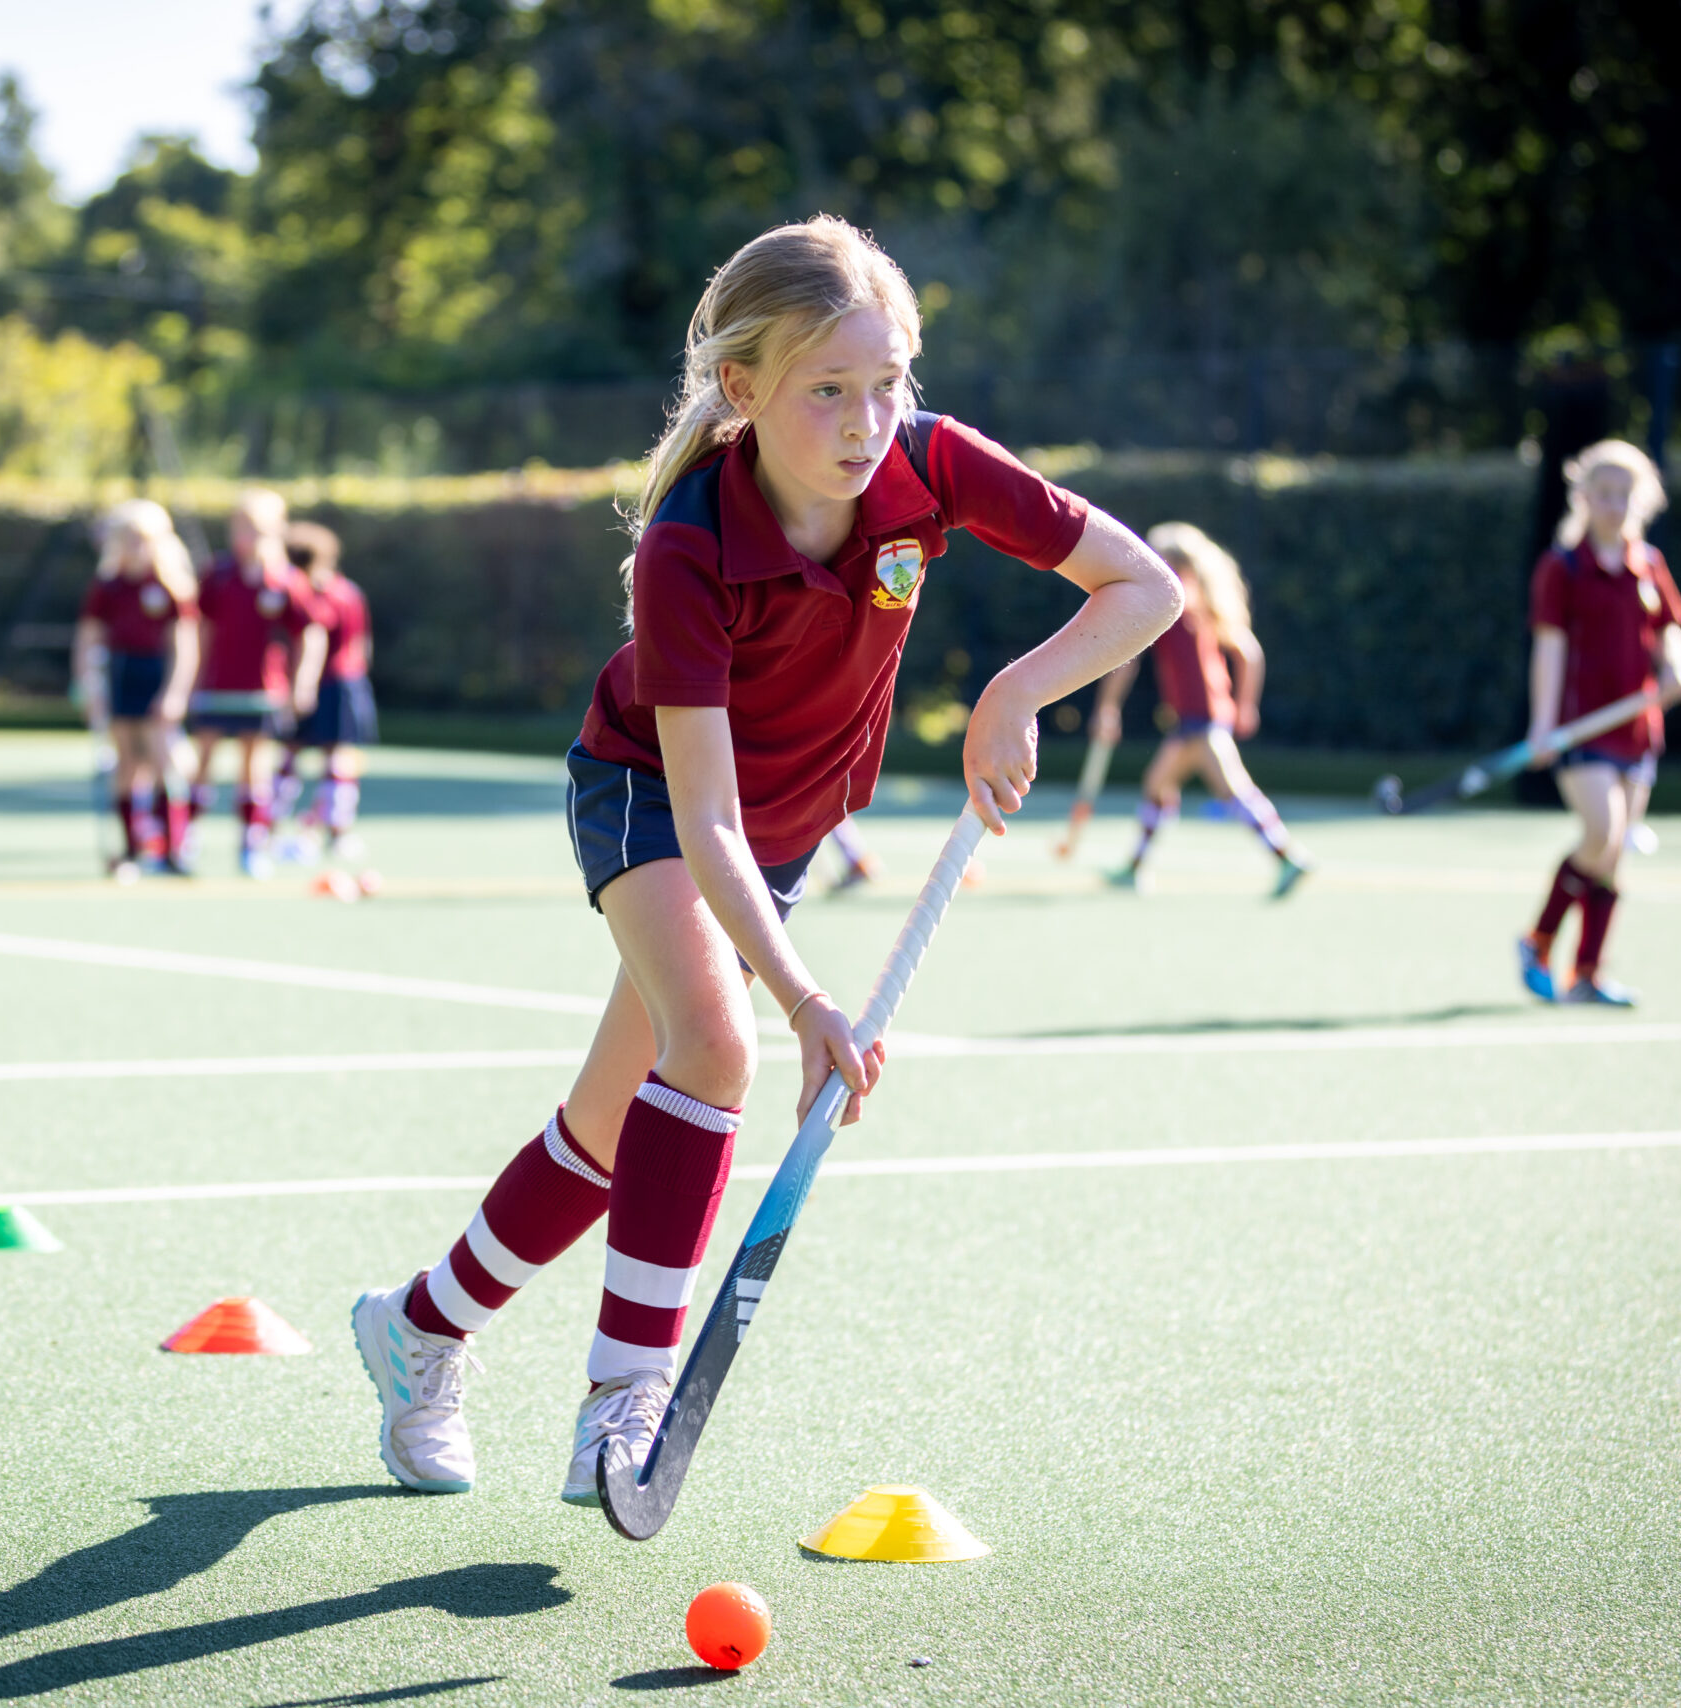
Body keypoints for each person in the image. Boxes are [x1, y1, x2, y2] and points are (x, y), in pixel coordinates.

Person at [346, 216, 1181, 1506]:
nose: (867, 422)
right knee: (718, 1044)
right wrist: (803, 999)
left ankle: (417, 1328)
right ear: (743, 390)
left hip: (779, 827)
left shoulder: (930, 465)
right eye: (828, 391)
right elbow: (706, 821)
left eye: (888, 383)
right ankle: (624, 1404)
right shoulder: (689, 545)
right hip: (653, 802)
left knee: (608, 1127)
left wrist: (1017, 690)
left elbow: (1143, 587)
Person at [1516, 440, 1681, 1005]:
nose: (1615, 505)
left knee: (1613, 858)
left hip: (1638, 733)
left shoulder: (1649, 566)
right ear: (1584, 497)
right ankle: (1539, 940)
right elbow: (1548, 649)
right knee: (1604, 834)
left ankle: (1588, 973)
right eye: (1604, 493)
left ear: (1641, 501)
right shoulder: (1562, 567)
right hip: (1580, 730)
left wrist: (1678, 667)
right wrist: (1542, 724)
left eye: (1626, 494)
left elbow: (1670, 635)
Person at [1091, 522, 1311, 897]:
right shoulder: (1200, 607)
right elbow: (1250, 654)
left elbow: (1127, 661)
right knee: (1162, 787)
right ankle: (1135, 868)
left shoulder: (1173, 609)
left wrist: (1107, 707)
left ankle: (1287, 857)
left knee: (1230, 791)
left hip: (1198, 720)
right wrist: (1244, 705)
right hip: (1203, 718)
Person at [188, 489, 322, 877]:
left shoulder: (285, 580)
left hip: (262, 692)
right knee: (203, 761)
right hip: (216, 687)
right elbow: (202, 628)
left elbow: (309, 633)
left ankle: (251, 844)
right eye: (242, 527)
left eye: (259, 528)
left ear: (278, 531)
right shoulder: (218, 573)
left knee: (255, 767)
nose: (249, 536)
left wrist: (303, 683)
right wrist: (194, 680)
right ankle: (185, 837)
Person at [74, 501, 201, 875]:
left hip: (155, 676)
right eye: (128, 539)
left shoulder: (171, 587)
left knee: (164, 761)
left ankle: (173, 848)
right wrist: (89, 689)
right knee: (127, 763)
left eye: (144, 539)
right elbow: (87, 641)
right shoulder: (108, 587)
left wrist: (175, 692)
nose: (136, 547)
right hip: (120, 677)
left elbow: (185, 645)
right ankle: (131, 847)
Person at [273, 520, 376, 854]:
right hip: (344, 681)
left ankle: (333, 828)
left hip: (333, 683)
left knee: (332, 756)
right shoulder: (350, 590)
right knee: (298, 754)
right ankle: (276, 824)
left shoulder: (319, 595)